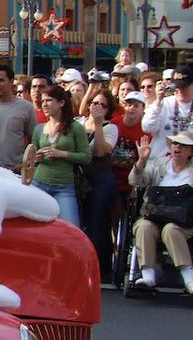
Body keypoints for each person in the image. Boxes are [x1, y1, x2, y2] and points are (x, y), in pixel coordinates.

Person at [127, 132, 193, 293]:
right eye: (175, 144)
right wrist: (142, 160)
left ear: (191, 152)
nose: (177, 147)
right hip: (153, 216)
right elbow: (135, 181)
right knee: (144, 227)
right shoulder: (159, 164)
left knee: (170, 229)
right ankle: (148, 275)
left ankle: (188, 277)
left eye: (183, 145)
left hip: (183, 221)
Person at [28, 85, 91, 227]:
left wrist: (61, 154)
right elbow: (30, 159)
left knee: (71, 228)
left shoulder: (75, 127)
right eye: (43, 101)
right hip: (38, 183)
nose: (44, 104)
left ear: (61, 103)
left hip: (64, 187)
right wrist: (36, 158)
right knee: (35, 228)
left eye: (49, 100)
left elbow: (86, 157)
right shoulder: (39, 129)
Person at [81, 91, 120, 281]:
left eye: (102, 105)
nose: (97, 107)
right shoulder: (78, 124)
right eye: (94, 103)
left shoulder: (111, 128)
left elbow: (99, 151)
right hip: (79, 178)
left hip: (100, 178)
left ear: (108, 110)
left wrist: (97, 124)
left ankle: (99, 267)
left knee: (98, 221)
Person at [141, 64, 193, 156]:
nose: (179, 90)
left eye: (183, 87)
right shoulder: (163, 103)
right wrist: (158, 100)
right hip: (160, 161)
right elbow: (147, 127)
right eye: (176, 86)